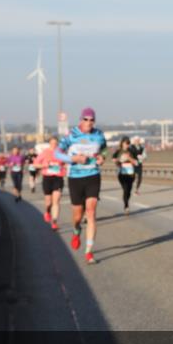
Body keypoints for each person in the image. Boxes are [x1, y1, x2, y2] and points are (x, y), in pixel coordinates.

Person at [56, 107, 107, 263]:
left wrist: (102, 158)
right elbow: (57, 153)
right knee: (78, 215)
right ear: (80, 120)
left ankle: (89, 251)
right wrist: (74, 159)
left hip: (93, 176)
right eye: (86, 119)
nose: (89, 122)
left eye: (92, 120)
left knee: (91, 212)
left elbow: (104, 150)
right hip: (75, 178)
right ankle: (76, 230)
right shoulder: (71, 135)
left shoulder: (99, 135)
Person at [35, 137, 65, 230]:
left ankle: (54, 222)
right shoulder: (45, 152)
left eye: (56, 143)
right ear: (49, 143)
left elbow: (67, 162)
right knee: (48, 201)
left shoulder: (61, 152)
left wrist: (67, 167)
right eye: (52, 143)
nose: (54, 145)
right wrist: (44, 165)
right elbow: (35, 164)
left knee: (56, 200)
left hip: (58, 177)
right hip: (47, 178)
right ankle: (47, 212)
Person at [113, 136, 138, 215]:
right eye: (126, 143)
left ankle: (126, 202)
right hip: (122, 173)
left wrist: (129, 158)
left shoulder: (132, 151)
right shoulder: (118, 151)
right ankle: (126, 206)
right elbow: (113, 159)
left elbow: (136, 162)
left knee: (129, 191)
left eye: (128, 143)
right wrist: (119, 161)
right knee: (125, 189)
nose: (127, 145)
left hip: (131, 173)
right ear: (122, 143)